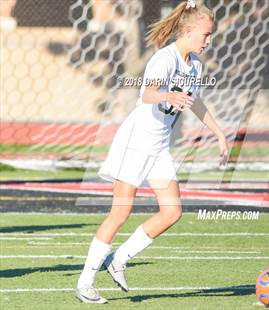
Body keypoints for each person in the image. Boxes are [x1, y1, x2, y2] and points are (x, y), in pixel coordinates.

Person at [75, 0, 228, 304]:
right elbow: (147, 94)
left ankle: (118, 259)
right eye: (205, 35)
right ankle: (85, 283)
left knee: (172, 211)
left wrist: (219, 133)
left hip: (159, 145)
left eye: (210, 35)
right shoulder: (165, 58)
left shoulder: (194, 64)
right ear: (187, 31)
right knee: (120, 212)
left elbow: (194, 102)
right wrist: (169, 94)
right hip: (136, 141)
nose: (209, 40)